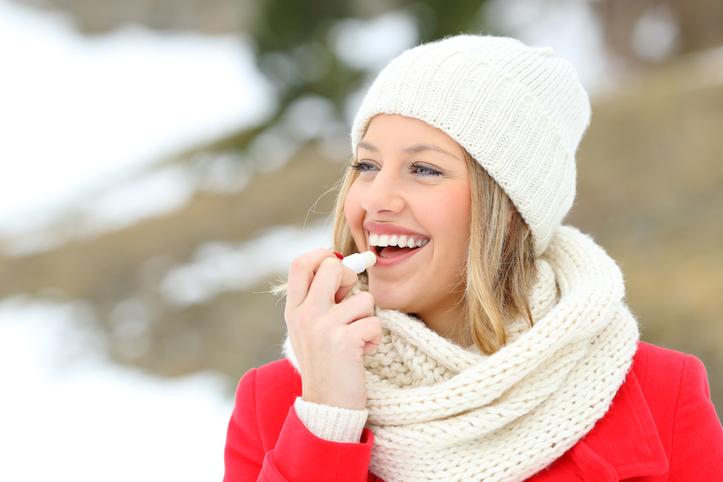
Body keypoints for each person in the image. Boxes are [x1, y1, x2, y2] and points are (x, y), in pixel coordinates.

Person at [222, 34, 723, 481]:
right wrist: (328, 418)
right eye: (366, 164)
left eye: (423, 169)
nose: (376, 198)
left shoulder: (659, 393)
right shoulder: (278, 402)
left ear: (508, 209)